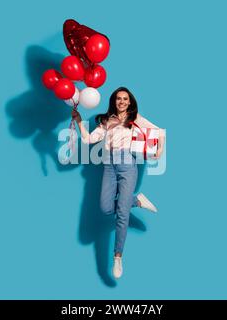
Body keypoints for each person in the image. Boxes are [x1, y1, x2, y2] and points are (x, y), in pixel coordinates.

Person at [72, 87, 165, 279]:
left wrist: (159, 151)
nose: (121, 101)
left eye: (125, 99)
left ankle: (118, 257)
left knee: (122, 213)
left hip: (127, 165)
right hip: (108, 166)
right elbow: (89, 139)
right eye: (118, 98)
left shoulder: (135, 119)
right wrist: (80, 121)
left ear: (130, 102)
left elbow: (159, 133)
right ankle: (136, 200)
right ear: (114, 101)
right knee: (106, 208)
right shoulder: (107, 121)